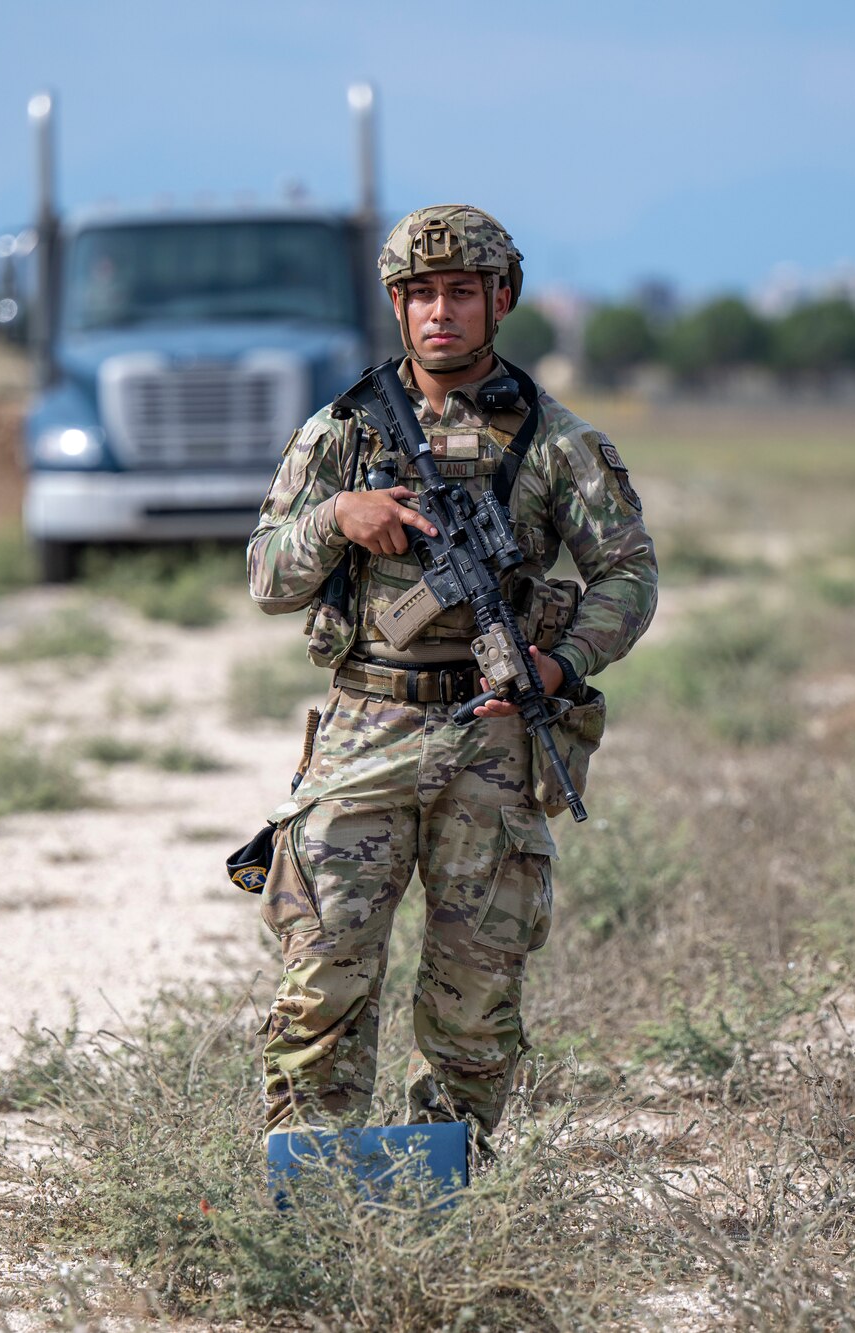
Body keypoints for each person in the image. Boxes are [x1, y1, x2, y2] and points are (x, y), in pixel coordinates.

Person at [245, 204, 658, 1141]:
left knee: (475, 1003)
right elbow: (266, 573)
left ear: (501, 299)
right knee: (324, 973)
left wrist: (562, 664)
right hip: (366, 726)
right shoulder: (341, 432)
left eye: (462, 293)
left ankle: (445, 1193)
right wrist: (337, 517)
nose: (441, 312)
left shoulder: (557, 442)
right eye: (421, 294)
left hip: (495, 734)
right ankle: (312, 1192)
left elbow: (628, 575)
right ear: (397, 305)